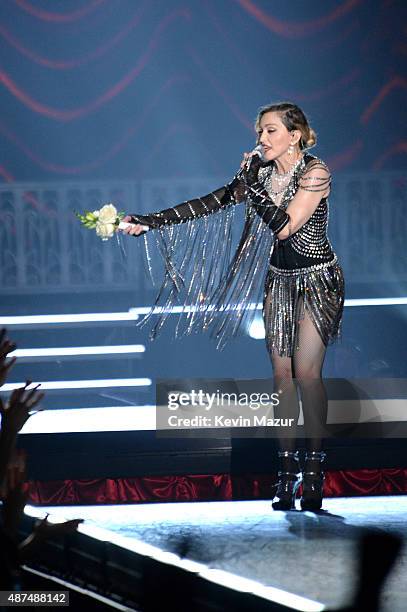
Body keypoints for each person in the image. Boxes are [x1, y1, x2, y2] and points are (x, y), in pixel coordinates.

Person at [122, 102, 345, 512]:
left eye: (271, 131)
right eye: (260, 131)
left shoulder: (316, 172)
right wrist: (150, 220)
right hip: (279, 280)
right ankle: (284, 473)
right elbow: (211, 202)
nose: (261, 139)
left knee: (307, 374)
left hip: (317, 280)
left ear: (294, 136)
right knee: (281, 377)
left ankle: (314, 473)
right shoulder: (258, 174)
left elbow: (285, 227)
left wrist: (252, 185)